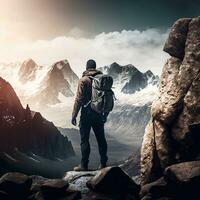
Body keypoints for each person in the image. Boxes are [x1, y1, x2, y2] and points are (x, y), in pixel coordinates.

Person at [71, 59, 108, 171]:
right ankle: (103, 164)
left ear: (87, 67)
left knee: (84, 140)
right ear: (95, 67)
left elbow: (79, 99)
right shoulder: (102, 80)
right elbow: (106, 98)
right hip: (98, 113)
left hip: (86, 114)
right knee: (101, 139)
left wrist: (74, 115)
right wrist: (105, 115)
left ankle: (84, 165)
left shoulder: (83, 80)